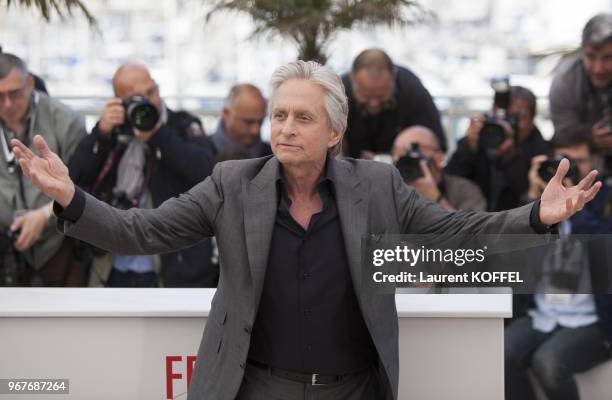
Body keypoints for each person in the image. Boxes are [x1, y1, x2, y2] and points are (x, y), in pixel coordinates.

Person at [12, 60, 601, 400]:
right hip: (257, 389)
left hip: (352, 390)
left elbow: (453, 232)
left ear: (334, 133)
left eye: (303, 117)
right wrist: (69, 196)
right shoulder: (231, 183)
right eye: (279, 114)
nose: (286, 127)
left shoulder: (376, 186)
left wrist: (534, 215)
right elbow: (139, 232)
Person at [68, 62, 217, 288]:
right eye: (136, 98)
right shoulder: (113, 132)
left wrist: (157, 135)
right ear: (119, 101)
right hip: (112, 263)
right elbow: (75, 178)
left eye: (151, 92)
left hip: (170, 265)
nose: (149, 102)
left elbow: (207, 172)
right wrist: (101, 134)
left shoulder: (182, 125)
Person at [505, 131, 612, 400]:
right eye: (560, 164)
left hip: (595, 319)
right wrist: (531, 201)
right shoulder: (538, 202)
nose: (568, 170)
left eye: (576, 162)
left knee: (549, 363)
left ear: (594, 161)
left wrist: (575, 206)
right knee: (501, 354)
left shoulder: (606, 200)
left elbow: (604, 246)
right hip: (543, 313)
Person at [0, 52, 85, 286]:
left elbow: (82, 184)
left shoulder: (66, 120)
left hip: (59, 243)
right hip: (6, 249)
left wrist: (46, 214)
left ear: (29, 84)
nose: (7, 104)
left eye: (14, 94)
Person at [446, 86, 550, 211]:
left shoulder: (540, 153)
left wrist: (510, 158)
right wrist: (469, 148)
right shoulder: (481, 138)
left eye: (518, 117)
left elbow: (532, 207)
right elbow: (449, 181)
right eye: (503, 116)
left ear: (532, 119)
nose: (509, 124)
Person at [342, 48, 446, 159]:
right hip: (351, 167)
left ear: (394, 76)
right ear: (352, 79)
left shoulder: (411, 89)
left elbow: (436, 144)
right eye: (366, 96)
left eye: (381, 95)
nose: (374, 104)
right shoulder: (340, 92)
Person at [549, 13, 612, 172]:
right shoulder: (566, 79)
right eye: (591, 57)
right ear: (582, 51)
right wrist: (591, 137)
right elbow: (562, 132)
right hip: (581, 165)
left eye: (608, 58)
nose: (598, 68)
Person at [392, 125, 486, 212]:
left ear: (438, 158)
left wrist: (435, 197)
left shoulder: (464, 190)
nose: (406, 164)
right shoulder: (389, 190)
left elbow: (473, 229)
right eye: (399, 157)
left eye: (413, 155)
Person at [211, 83, 271, 159]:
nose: (256, 130)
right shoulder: (200, 156)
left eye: (261, 122)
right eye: (248, 122)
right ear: (226, 113)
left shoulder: (274, 157)